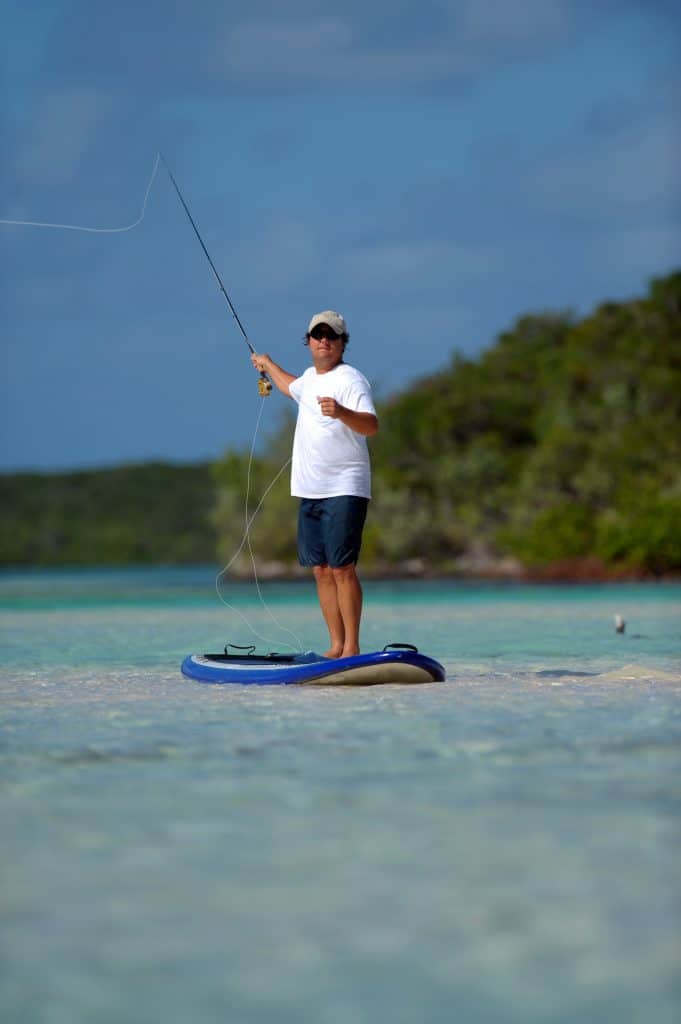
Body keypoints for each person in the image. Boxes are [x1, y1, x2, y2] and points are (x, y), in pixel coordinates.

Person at [251, 310, 378, 658]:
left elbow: (370, 426)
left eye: (332, 336)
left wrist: (341, 412)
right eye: (318, 335)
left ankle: (352, 647)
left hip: (345, 486)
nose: (325, 340)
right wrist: (268, 363)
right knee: (320, 570)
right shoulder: (308, 379)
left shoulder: (351, 380)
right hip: (309, 488)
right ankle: (335, 646)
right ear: (308, 341)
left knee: (342, 568)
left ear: (342, 343)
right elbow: (289, 386)